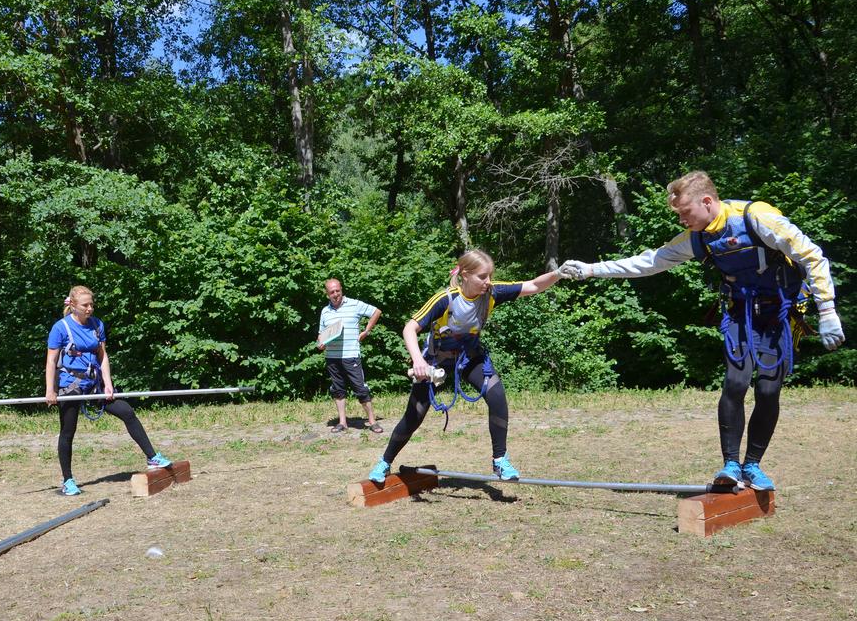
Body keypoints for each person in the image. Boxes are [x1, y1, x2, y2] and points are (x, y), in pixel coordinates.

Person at [560, 170, 845, 491]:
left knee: (768, 390)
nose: (682, 220)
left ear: (707, 201)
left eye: (685, 212)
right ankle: (731, 466)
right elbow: (651, 261)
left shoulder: (757, 218)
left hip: (780, 312)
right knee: (735, 383)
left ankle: (753, 465)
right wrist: (591, 269)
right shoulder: (697, 237)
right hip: (740, 313)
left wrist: (827, 310)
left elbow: (812, 256)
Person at [368, 250, 562, 483]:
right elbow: (410, 328)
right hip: (437, 361)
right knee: (414, 415)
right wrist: (418, 361)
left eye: (490, 276)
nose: (488, 281)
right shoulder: (446, 299)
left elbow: (534, 285)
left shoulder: (491, 293)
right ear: (466, 275)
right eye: (482, 276)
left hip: (470, 358)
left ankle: (500, 460)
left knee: (496, 395)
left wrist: (559, 273)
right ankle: (385, 462)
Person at [45, 286, 171, 496]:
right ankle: (68, 481)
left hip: (94, 383)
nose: (89, 308)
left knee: (126, 412)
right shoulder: (60, 328)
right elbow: (51, 361)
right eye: (85, 305)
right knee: (68, 430)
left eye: (91, 304)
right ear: (73, 305)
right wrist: (51, 390)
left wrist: (108, 383)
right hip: (71, 384)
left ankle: (152, 457)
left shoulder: (97, 324)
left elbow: (102, 356)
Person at [317, 279, 383, 433]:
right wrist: (320, 343)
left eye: (337, 291)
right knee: (337, 389)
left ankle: (372, 422)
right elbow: (321, 334)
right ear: (327, 294)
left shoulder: (354, 304)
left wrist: (367, 331)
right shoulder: (325, 311)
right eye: (332, 292)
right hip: (332, 357)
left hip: (351, 355)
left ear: (341, 290)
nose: (335, 294)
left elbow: (376, 312)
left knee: (360, 389)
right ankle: (342, 422)